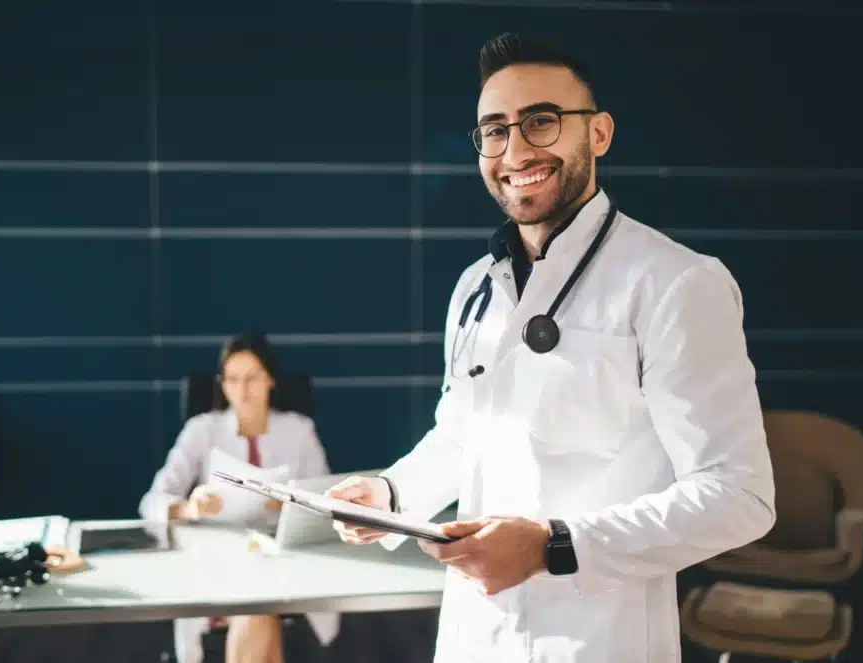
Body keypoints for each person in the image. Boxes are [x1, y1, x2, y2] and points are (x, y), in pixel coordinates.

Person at [327, 33, 776, 662]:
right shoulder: (475, 288)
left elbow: (739, 497)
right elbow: (461, 438)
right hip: (474, 636)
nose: (515, 150)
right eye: (494, 131)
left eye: (541, 122)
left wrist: (553, 546)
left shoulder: (676, 283)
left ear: (598, 134)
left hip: (599, 641)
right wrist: (391, 495)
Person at [139, 331, 337, 663]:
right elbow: (151, 502)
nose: (241, 391)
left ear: (270, 380)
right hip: (218, 562)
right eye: (232, 380)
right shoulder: (202, 429)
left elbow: (325, 503)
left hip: (285, 561)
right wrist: (189, 507)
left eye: (251, 379)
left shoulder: (299, 430)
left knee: (258, 605)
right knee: (259, 608)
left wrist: (291, 503)